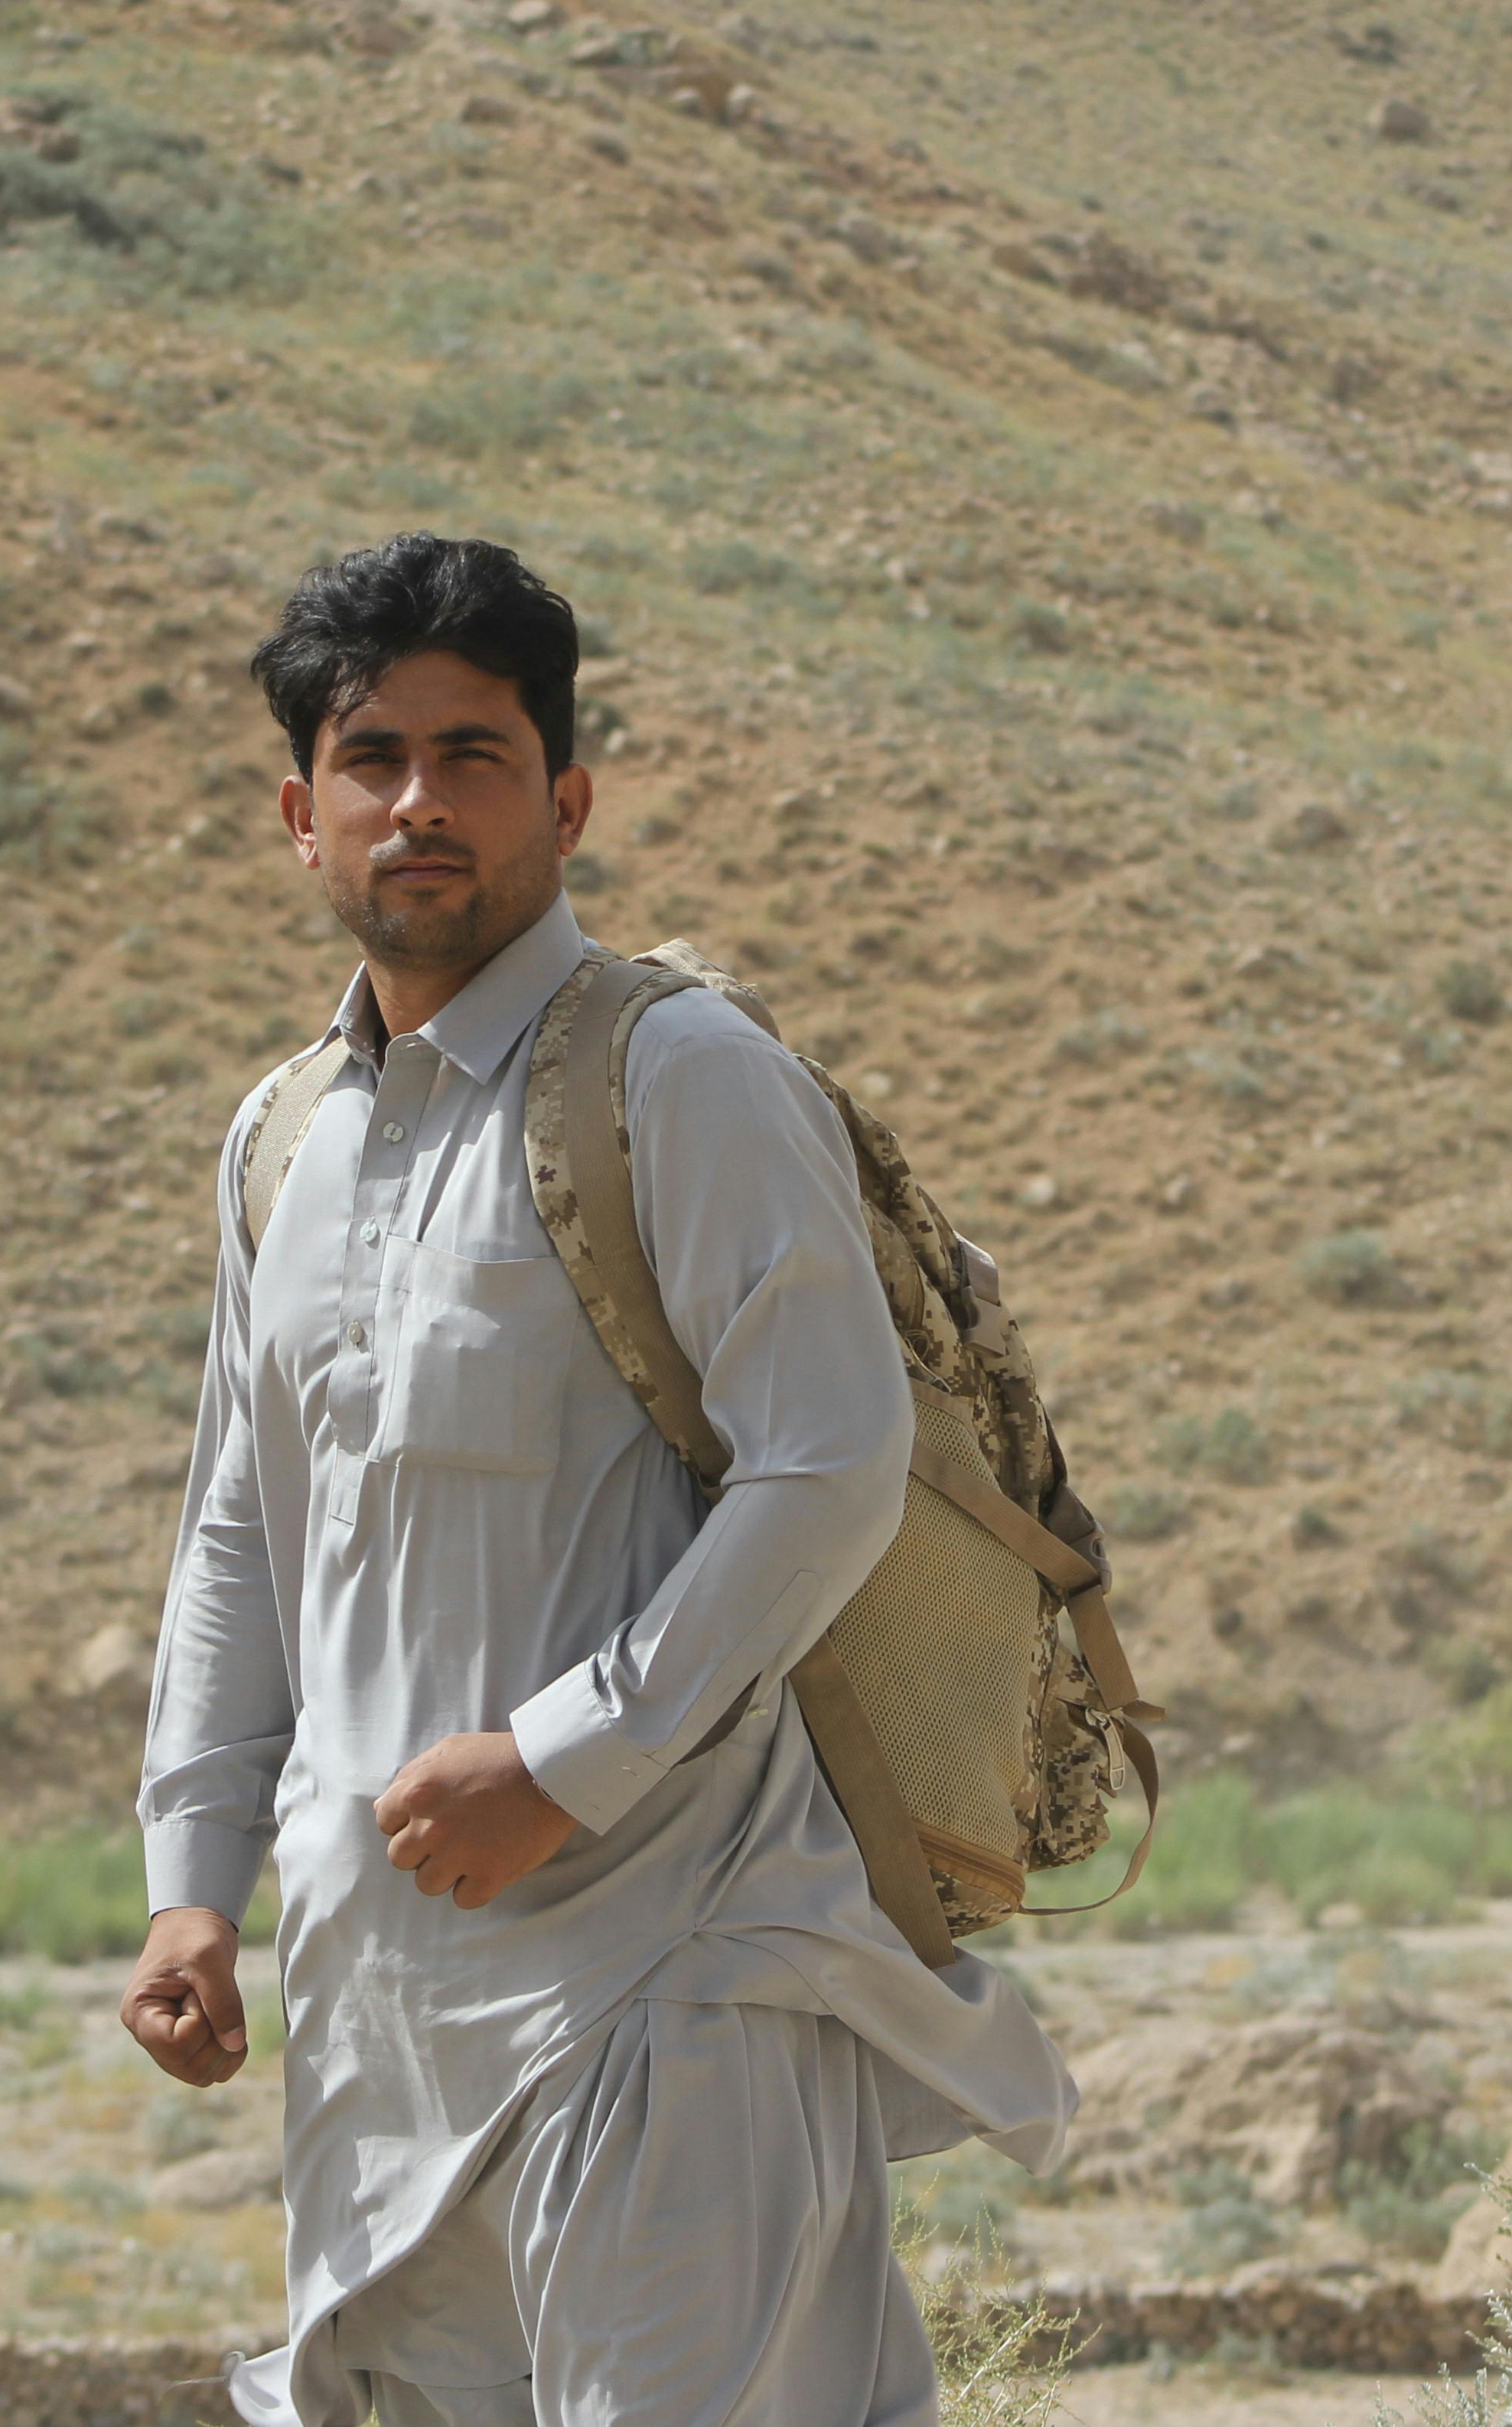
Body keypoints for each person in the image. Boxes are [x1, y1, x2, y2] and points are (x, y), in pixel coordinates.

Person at [119, 534, 1077, 2427]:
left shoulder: (680, 1076)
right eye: (374, 759)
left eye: (473, 759)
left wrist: (562, 1766)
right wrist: (189, 1881)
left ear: (564, 799)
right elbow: (243, 1523)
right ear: (298, 816)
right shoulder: (280, 1138)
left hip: (675, 1973)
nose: (420, 806)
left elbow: (829, 1462)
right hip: (377, 2005)